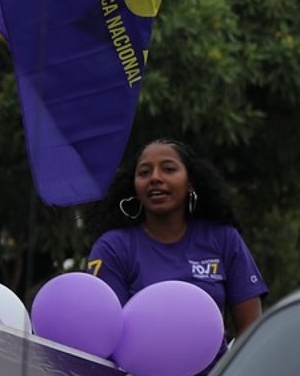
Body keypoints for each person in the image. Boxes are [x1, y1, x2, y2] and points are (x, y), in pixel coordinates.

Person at [84, 138, 266, 336]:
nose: (155, 178)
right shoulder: (113, 247)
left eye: (168, 169)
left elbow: (251, 330)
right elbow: (102, 330)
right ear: (134, 187)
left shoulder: (223, 238)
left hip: (216, 368)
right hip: (136, 367)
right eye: (144, 172)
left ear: (190, 183)